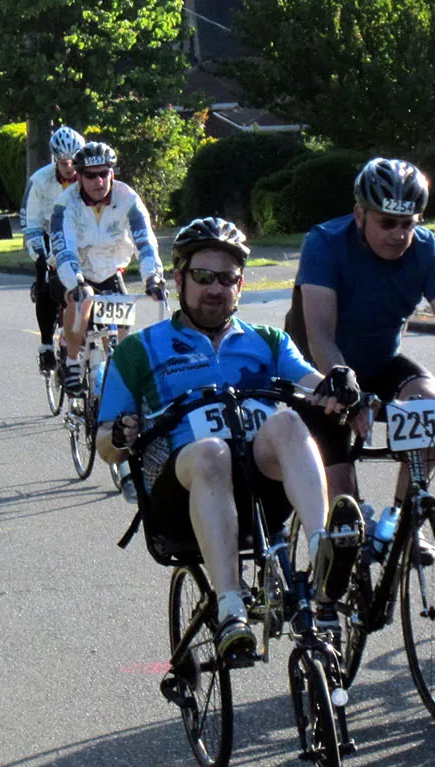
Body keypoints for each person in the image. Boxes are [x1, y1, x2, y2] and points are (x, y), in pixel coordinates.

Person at [97, 217, 359, 658]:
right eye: (202, 277)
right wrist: (121, 435)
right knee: (211, 453)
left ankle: (322, 553)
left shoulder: (268, 341)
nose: (215, 289)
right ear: (179, 279)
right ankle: (230, 607)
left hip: (261, 484)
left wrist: (337, 385)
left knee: (289, 423)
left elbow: (313, 385)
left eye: (227, 279)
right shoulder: (138, 350)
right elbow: (104, 445)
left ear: (240, 286)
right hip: (182, 491)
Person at [289, 158, 435, 527]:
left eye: (408, 224)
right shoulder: (324, 243)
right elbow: (320, 335)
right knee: (345, 503)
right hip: (323, 372)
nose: (398, 234)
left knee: (431, 407)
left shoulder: (425, 250)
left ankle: (401, 523)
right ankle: (349, 549)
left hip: (380, 363)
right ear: (359, 215)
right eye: (387, 223)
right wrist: (343, 384)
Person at [48, 141, 165, 395]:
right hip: (72, 272)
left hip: (110, 271)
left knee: (121, 339)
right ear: (78, 176)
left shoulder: (128, 199)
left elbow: (145, 243)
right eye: (91, 176)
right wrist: (76, 283)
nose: (98, 181)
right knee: (80, 304)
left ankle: (119, 382)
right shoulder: (64, 205)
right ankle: (72, 361)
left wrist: (152, 278)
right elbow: (64, 250)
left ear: (112, 173)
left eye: (104, 173)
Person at [21, 125, 84, 373]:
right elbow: (30, 221)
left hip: (81, 235)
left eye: (73, 161)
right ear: (56, 159)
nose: (69, 167)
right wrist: (40, 253)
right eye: (64, 162)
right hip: (48, 234)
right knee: (46, 282)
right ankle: (46, 343)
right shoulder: (39, 181)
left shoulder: (89, 177)